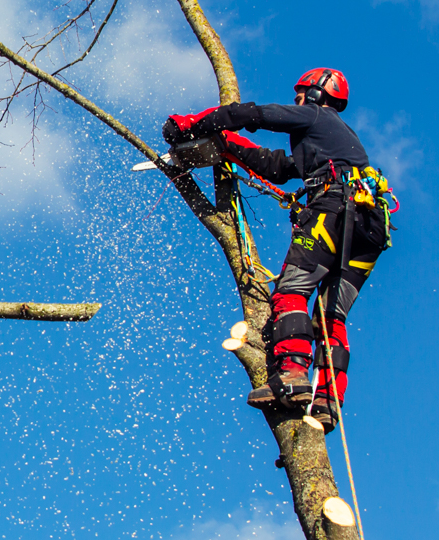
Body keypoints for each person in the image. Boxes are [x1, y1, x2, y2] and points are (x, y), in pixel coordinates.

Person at [162, 68, 392, 431]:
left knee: (290, 290)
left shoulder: (314, 115)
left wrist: (190, 124)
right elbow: (280, 168)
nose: (297, 100)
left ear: (316, 94)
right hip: (371, 224)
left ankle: (292, 373)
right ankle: (328, 403)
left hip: (333, 208)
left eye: (301, 94)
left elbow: (254, 114)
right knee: (329, 315)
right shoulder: (337, 140)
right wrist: (229, 146)